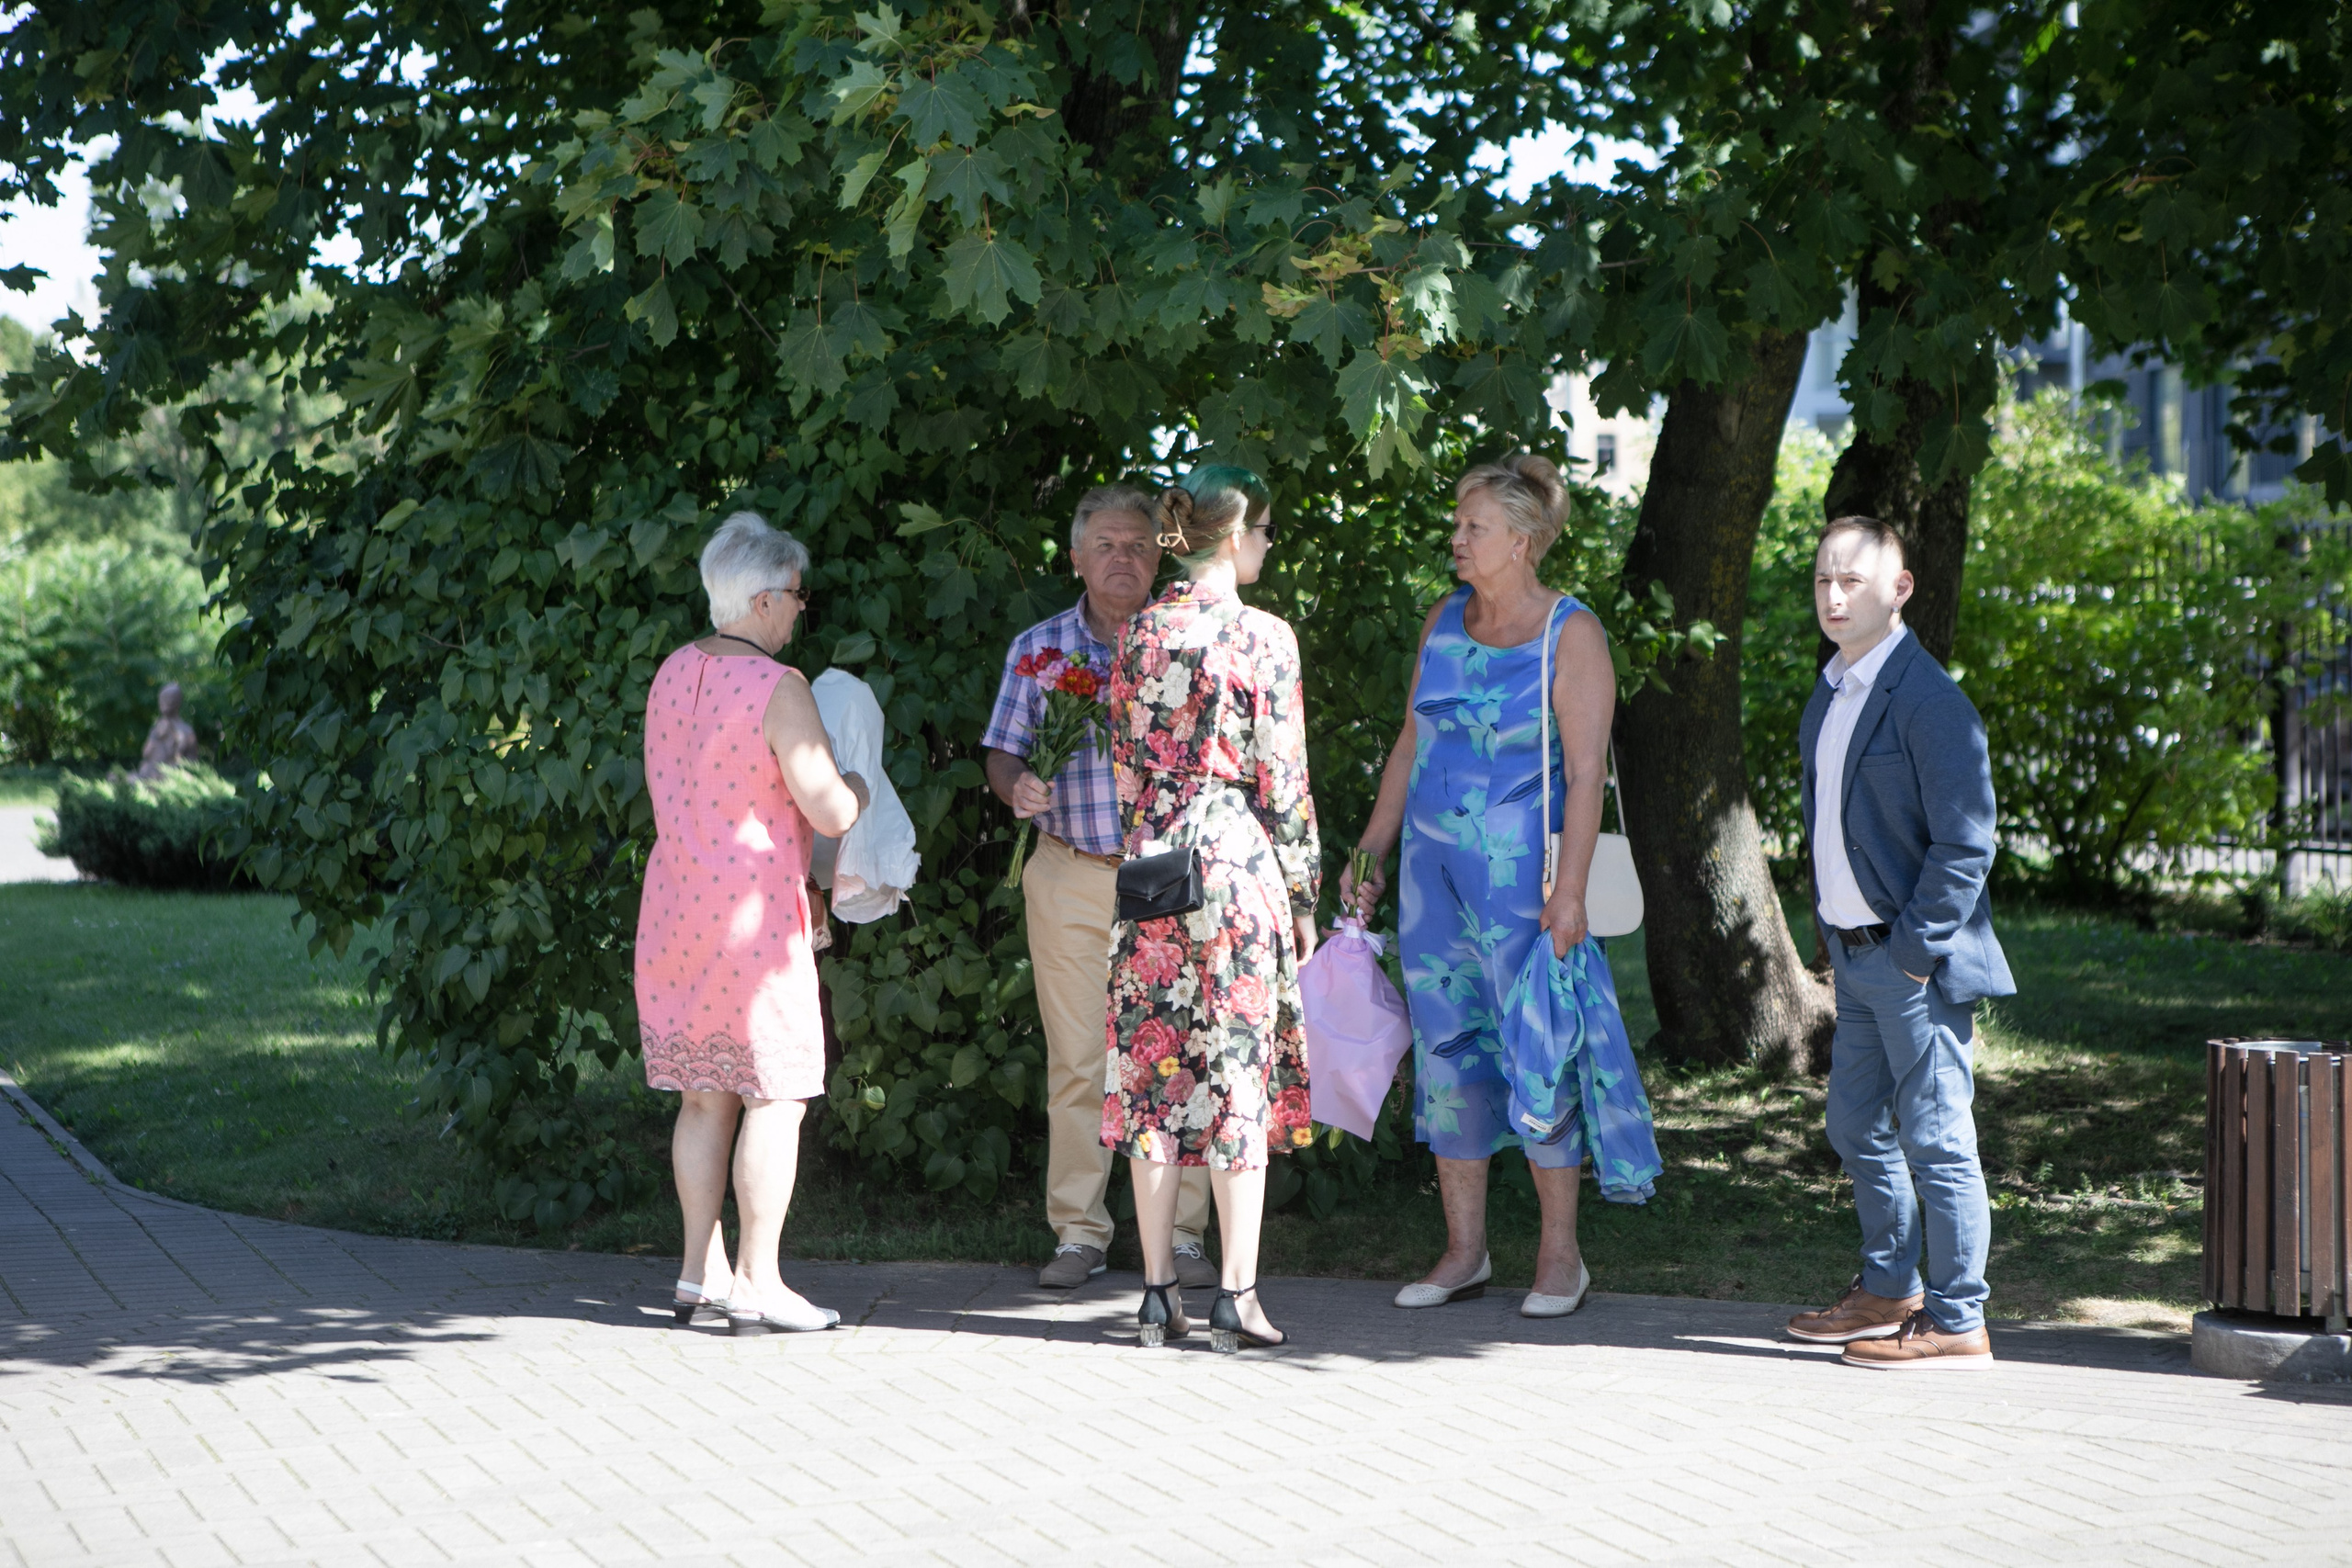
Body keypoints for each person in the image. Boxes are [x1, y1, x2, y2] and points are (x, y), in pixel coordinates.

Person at [1343, 454, 1628, 1318]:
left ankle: (1560, 1259)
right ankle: (1464, 1252)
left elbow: (1586, 776)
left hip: (1525, 890)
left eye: (1473, 528)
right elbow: (1407, 744)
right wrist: (1370, 851)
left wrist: (1570, 891)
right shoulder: (1444, 619)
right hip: (1433, 885)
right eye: (1458, 526)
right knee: (1449, 1057)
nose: (1456, 539)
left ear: (1524, 540)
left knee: (1538, 1054)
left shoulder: (1569, 633)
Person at [1783, 515, 2012, 1370]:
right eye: (1821, 582)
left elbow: (1967, 842)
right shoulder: (1833, 688)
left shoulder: (1928, 698)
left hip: (1914, 963)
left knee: (1937, 1136)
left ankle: (1958, 1319)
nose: (1834, 596)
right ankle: (1889, 1289)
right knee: (1853, 1124)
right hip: (1854, 957)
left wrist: (1915, 951)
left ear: (1900, 588)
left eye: (1852, 580)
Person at [634, 512, 869, 1336]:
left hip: (675, 907)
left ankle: (700, 1270)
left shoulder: (671, 672)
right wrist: (862, 787)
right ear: (765, 598)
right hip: (753, 917)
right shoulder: (780, 686)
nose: (801, 611)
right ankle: (761, 1280)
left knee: (704, 1097)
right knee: (777, 1095)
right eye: (798, 597)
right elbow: (831, 808)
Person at [1102, 465, 1319, 1353]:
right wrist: (1302, 891)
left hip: (1153, 867)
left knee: (1153, 1074)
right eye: (1265, 532)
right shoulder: (1266, 637)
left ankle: (1157, 1295)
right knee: (1236, 1072)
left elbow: (1123, 768)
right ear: (1236, 536)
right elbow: (1287, 780)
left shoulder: (1138, 633)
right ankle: (1237, 1294)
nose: (1269, 546)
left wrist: (1151, 829)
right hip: (1234, 866)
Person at [983, 485, 1216, 1291]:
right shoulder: (1040, 647)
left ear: (1162, 556)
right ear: (1077, 557)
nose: (1125, 559)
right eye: (1108, 546)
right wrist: (1015, 787)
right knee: (1080, 1060)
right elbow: (1002, 751)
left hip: (1168, 875)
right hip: (1071, 872)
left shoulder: (1188, 642)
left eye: (1141, 545)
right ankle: (1079, 1230)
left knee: (1178, 1057)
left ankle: (1183, 1235)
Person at [135, 682, 199, 780]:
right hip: (150, 775)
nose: (162, 702)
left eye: (167, 698)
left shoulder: (186, 731)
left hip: (173, 779)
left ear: (177, 702)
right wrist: (157, 736)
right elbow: (146, 753)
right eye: (161, 698)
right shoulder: (157, 728)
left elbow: (189, 764)